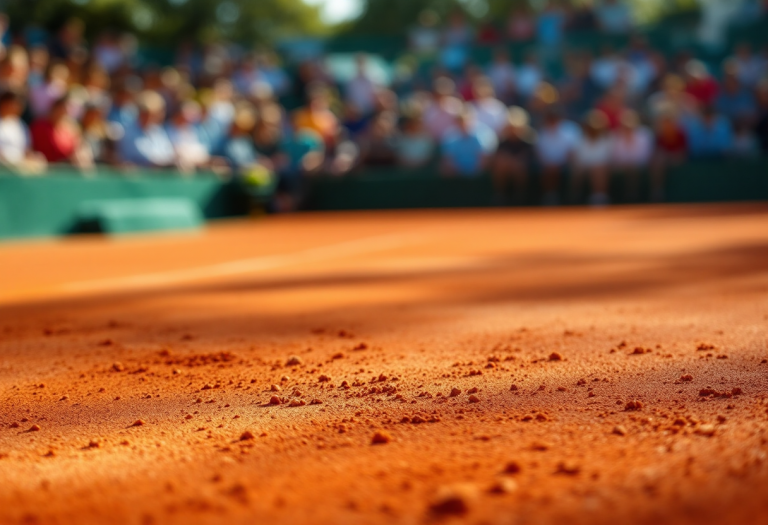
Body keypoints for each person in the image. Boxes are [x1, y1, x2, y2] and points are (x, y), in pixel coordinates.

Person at [118, 90, 177, 169]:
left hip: (159, 173)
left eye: (156, 113)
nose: (155, 116)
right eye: (148, 113)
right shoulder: (129, 132)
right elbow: (145, 158)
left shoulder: (157, 130)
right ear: (141, 113)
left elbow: (168, 153)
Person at [491, 107, 536, 205]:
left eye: (515, 127)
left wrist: (515, 162)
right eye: (511, 127)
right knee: (502, 165)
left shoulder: (528, 142)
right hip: (508, 168)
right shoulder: (503, 142)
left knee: (519, 167)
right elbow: (499, 158)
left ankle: (520, 196)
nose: (513, 130)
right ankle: (501, 195)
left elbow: (528, 158)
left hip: (523, 169)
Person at [30, 96, 91, 168]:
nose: (64, 112)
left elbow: (78, 148)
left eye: (67, 110)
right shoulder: (40, 126)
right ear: (54, 109)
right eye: (62, 109)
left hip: (67, 169)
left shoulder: (71, 128)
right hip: (45, 168)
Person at [535, 109, 580, 205]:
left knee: (576, 169)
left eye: (554, 119)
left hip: (567, 163)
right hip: (548, 165)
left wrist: (561, 164)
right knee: (549, 170)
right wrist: (549, 164)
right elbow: (540, 155)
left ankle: (574, 196)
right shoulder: (542, 132)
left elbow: (572, 153)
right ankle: (550, 195)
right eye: (550, 119)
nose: (552, 121)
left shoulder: (570, 130)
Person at [571, 110, 613, 206]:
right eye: (591, 126)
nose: (593, 129)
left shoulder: (608, 140)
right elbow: (576, 160)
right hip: (583, 168)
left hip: (601, 168)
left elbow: (610, 160)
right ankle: (575, 197)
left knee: (598, 170)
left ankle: (599, 197)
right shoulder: (579, 140)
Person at [440, 108, 497, 177]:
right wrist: (459, 170)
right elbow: (449, 158)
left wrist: (475, 172)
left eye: (466, 121)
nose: (464, 125)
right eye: (460, 122)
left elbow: (485, 158)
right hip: (457, 171)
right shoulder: (450, 135)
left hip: (478, 171)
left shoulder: (485, 133)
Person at [612, 110, 653, 201]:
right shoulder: (616, 136)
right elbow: (615, 157)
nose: (628, 127)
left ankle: (634, 195)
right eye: (625, 124)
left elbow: (645, 156)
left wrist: (631, 163)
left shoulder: (644, 134)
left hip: (640, 165)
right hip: (620, 166)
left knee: (633, 169)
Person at [0, 90, 45, 173]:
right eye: (12, 104)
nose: (16, 107)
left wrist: (33, 157)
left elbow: (27, 150)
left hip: (17, 170)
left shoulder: (21, 125)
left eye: (18, 104)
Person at [650, 112, 687, 202]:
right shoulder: (660, 136)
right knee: (658, 163)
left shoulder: (680, 134)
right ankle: (658, 191)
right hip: (665, 160)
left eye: (669, 122)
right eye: (665, 123)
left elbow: (683, 153)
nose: (667, 125)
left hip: (678, 159)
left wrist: (672, 156)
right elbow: (658, 152)